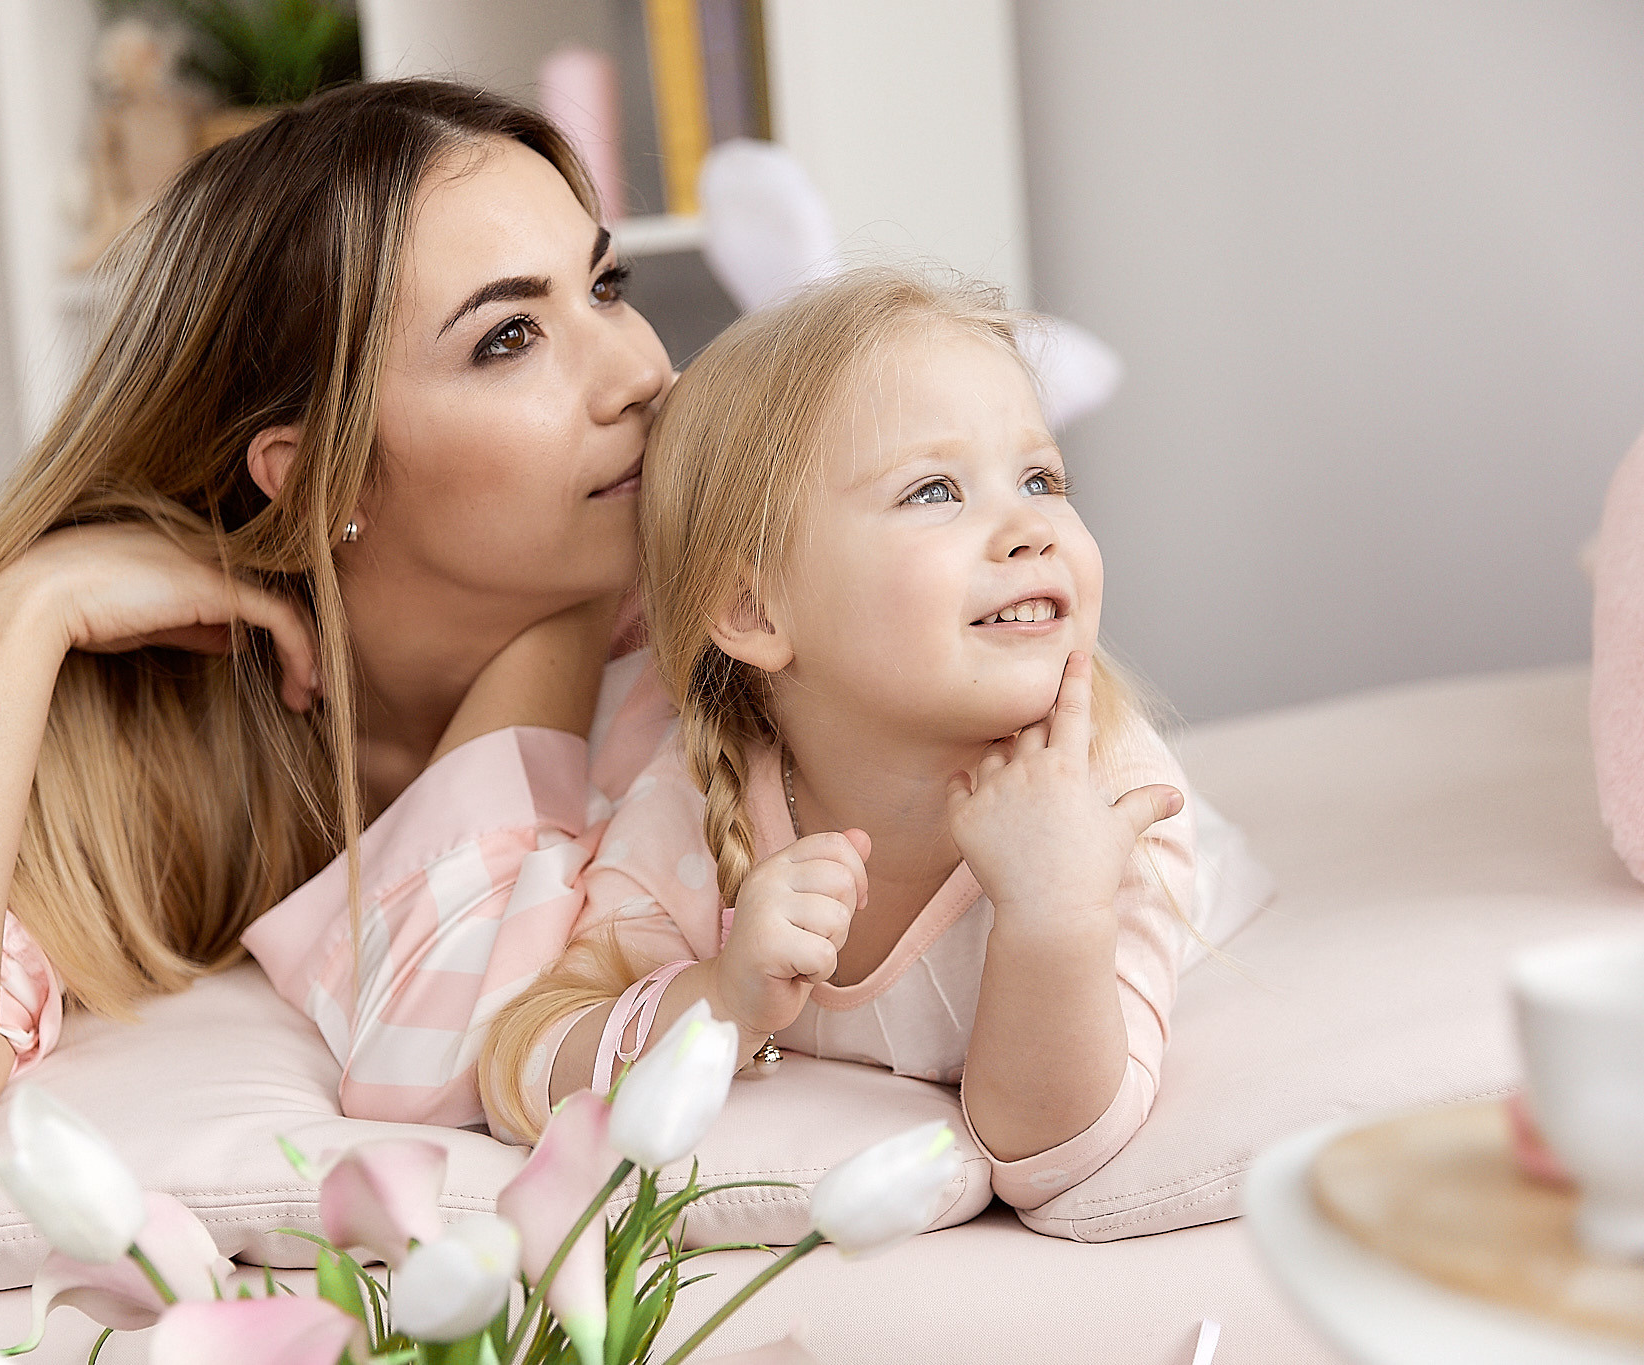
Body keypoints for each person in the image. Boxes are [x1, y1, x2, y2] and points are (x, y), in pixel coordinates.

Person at [0, 78, 673, 1217]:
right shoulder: (158, 745)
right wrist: (22, 608)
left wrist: (560, 624)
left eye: (606, 286)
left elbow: (483, 1036)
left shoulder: (731, 649)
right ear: (319, 474)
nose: (641, 371)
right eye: (509, 336)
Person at [476, 267, 1205, 1212]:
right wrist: (722, 999)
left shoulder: (1110, 801)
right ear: (755, 610)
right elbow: (524, 1070)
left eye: (1041, 478)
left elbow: (1050, 1155)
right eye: (935, 490)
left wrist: (1053, 913)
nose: (1032, 527)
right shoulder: (704, 798)